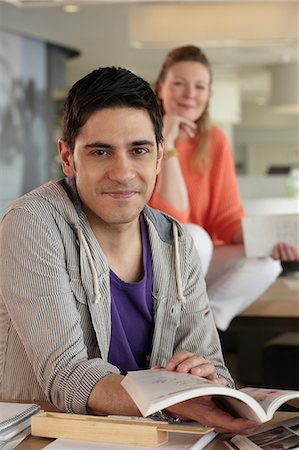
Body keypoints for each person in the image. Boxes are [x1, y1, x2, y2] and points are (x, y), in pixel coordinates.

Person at [0, 66, 257, 434]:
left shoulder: (175, 241)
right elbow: (66, 374)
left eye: (138, 150)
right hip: (45, 436)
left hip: (154, 435)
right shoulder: (32, 223)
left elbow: (215, 367)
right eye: (101, 152)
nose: (122, 172)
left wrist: (203, 378)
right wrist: (169, 396)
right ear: (68, 157)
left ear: (158, 157)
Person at [149, 45, 299, 331]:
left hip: (197, 261)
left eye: (200, 86)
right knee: (196, 238)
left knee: (267, 263)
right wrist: (168, 145)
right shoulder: (144, 137)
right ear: (161, 88)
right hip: (155, 259)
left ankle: (203, 330)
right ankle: (169, 328)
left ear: (207, 95)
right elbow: (172, 225)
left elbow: (226, 218)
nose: (190, 94)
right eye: (179, 83)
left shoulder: (215, 140)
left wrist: (270, 241)